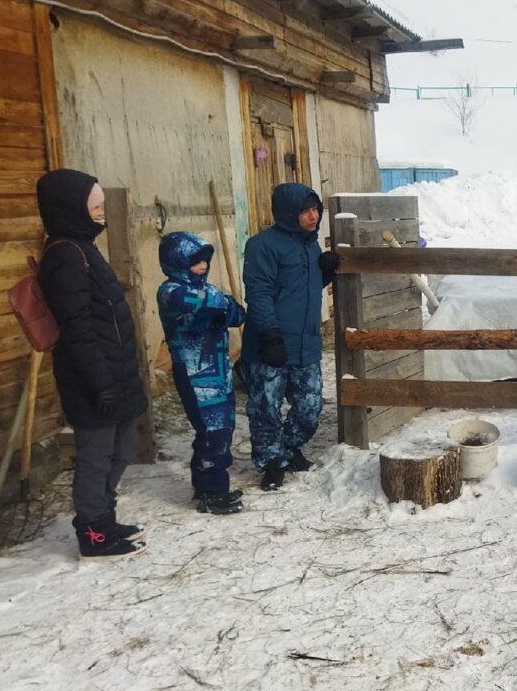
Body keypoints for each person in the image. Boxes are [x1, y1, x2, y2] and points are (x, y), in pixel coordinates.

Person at [36, 169, 148, 558]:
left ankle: (105, 516)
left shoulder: (83, 246)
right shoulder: (65, 255)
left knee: (123, 449)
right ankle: (93, 531)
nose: (102, 213)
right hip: (92, 378)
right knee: (97, 457)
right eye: (95, 206)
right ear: (71, 208)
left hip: (113, 370)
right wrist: (101, 382)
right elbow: (78, 329)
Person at [240, 183, 339, 491]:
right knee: (265, 408)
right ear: (287, 213)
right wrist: (270, 335)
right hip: (270, 343)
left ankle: (289, 447)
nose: (313, 217)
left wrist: (325, 272)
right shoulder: (262, 245)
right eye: (306, 211)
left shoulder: (311, 245)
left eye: (316, 210)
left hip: (305, 342)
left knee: (309, 407)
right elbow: (259, 292)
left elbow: (302, 290)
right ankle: (271, 462)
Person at [156, 231, 247, 514]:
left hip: (217, 372)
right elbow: (204, 302)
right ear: (177, 263)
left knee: (221, 429)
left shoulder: (205, 289)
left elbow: (238, 314)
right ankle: (212, 494)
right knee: (213, 432)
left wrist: (223, 305)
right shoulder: (170, 290)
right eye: (195, 262)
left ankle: (205, 486)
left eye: (205, 261)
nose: (203, 267)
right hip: (194, 375)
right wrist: (221, 303)